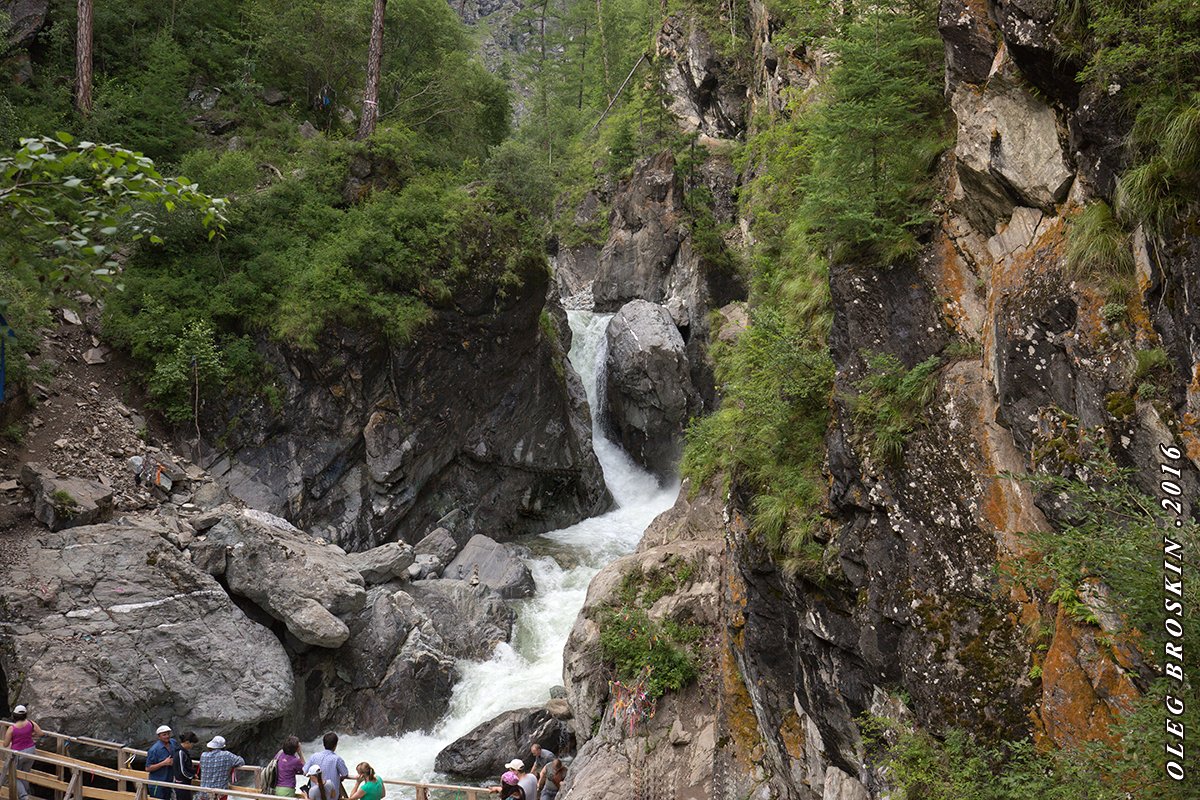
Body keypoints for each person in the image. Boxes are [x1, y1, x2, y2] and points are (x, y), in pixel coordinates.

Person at [2, 705, 42, 800]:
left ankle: (24, 796)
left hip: (18, 753)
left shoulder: (12, 728)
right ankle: (26, 792)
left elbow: (5, 744)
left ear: (15, 715)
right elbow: (40, 733)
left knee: (14, 775)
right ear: (25, 714)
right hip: (31, 751)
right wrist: (31, 734)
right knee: (25, 773)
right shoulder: (31, 723)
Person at [197, 736, 245, 800]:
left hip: (204, 792)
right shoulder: (227, 755)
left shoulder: (203, 755)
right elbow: (241, 761)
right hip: (220, 793)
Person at [302, 733, 348, 799]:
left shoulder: (314, 756)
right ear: (335, 745)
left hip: (315, 796)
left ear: (323, 744)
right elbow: (345, 773)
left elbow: (304, 772)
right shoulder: (337, 759)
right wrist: (340, 778)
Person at [146, 724, 179, 800]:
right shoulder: (154, 750)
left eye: (168, 734)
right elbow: (148, 768)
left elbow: (178, 753)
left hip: (169, 781)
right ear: (159, 736)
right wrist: (163, 763)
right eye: (164, 735)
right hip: (157, 783)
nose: (167, 736)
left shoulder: (173, 743)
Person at [173, 733, 200, 800]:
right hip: (181, 783)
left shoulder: (183, 752)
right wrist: (192, 776)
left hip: (184, 782)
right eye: (192, 744)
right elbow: (182, 770)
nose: (192, 746)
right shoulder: (180, 752)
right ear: (187, 742)